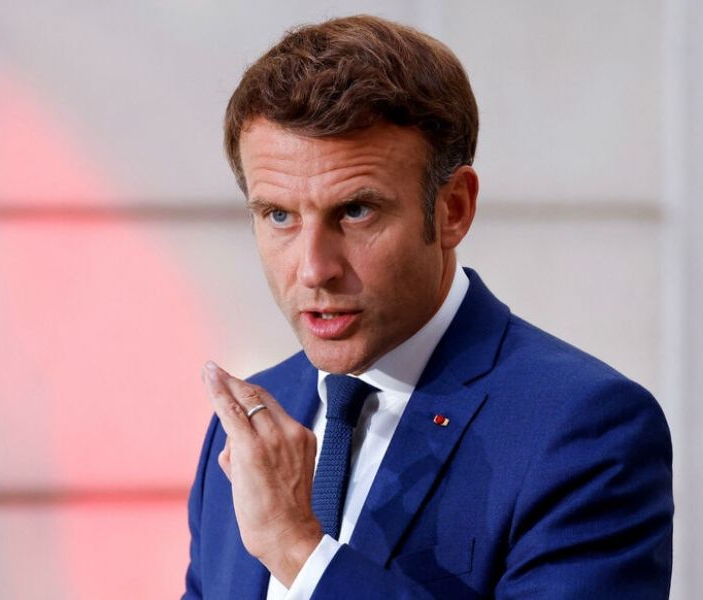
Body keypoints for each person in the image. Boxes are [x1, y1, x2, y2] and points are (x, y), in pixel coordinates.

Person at [183, 15, 672, 599]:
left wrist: (297, 550)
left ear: (453, 209)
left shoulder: (584, 429)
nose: (313, 268)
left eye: (356, 211)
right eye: (279, 215)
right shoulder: (250, 428)